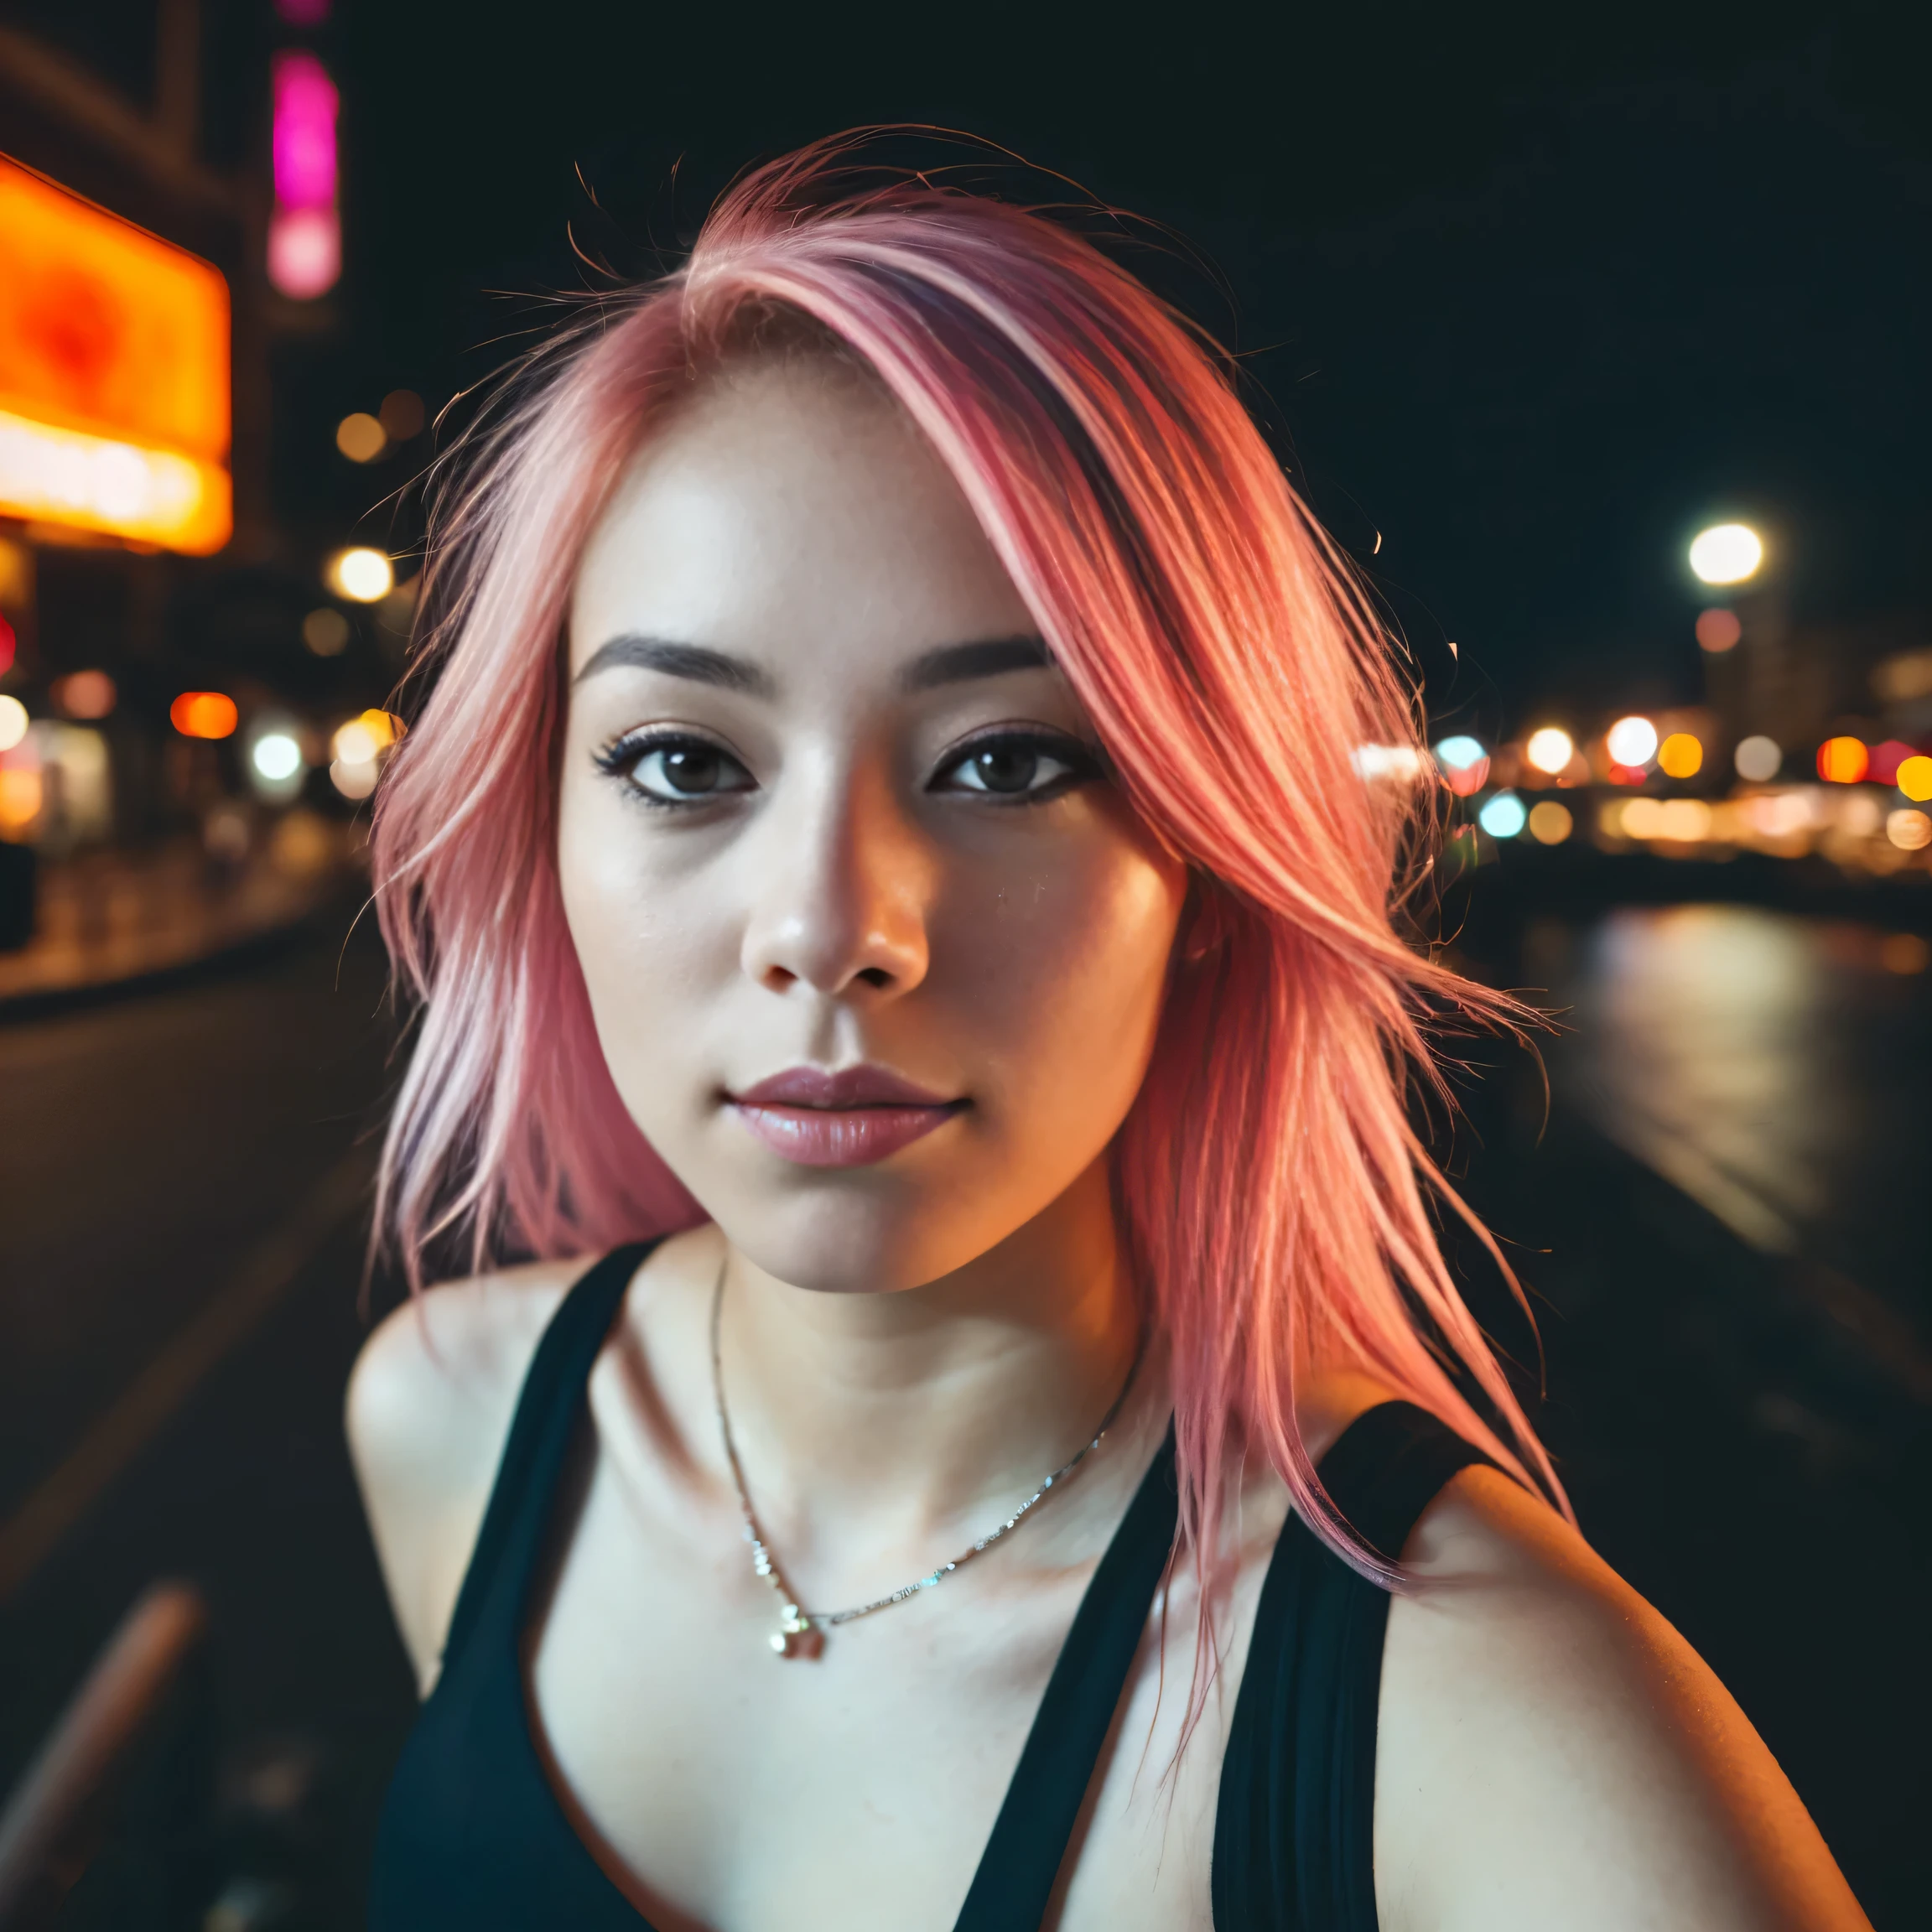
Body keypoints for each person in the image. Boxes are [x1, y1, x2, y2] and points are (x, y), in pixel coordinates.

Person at [346, 136, 1870, 1931]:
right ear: (547, 821)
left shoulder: (1484, 1730)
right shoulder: (453, 1421)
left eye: (1008, 762)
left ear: (1209, 866)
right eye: (684, 762)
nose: (832, 928)